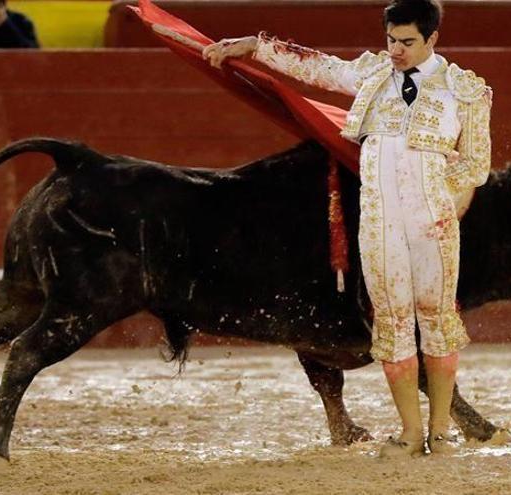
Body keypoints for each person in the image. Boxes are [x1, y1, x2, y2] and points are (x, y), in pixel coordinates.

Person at [203, 0, 491, 457]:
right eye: (391, 40)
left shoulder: (466, 90)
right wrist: (256, 47)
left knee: (437, 322)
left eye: (408, 42)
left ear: (432, 39)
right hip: (379, 224)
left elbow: (476, 163)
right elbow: (317, 67)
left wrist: (438, 195)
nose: (396, 50)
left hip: (432, 222)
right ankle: (411, 434)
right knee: (393, 324)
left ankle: (441, 430)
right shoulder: (372, 75)